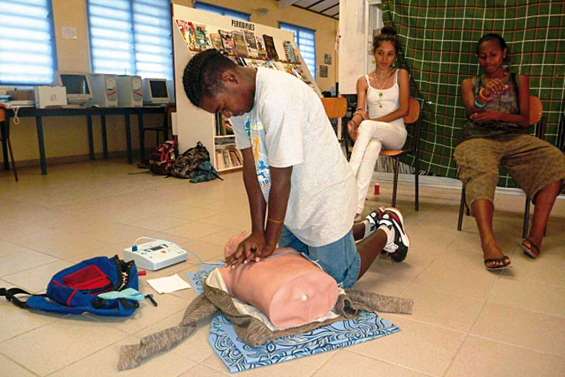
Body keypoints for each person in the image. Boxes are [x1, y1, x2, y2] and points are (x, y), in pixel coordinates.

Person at [182, 49, 410, 288]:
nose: (227, 115)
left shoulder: (277, 99)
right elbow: (251, 169)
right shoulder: (241, 105)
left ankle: (387, 228)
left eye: (222, 108)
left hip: (326, 197)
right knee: (300, 259)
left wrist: (269, 240)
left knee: (336, 278)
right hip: (293, 201)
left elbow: (282, 178)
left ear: (230, 79)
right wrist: (257, 231)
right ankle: (367, 225)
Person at [454, 33, 565, 271]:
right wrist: (484, 97)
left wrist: (499, 115)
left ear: (504, 54)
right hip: (478, 138)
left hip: (515, 138)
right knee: (483, 171)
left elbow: (525, 120)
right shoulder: (470, 83)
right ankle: (489, 243)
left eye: (493, 55)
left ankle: (535, 235)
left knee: (556, 160)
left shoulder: (519, 80)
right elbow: (472, 110)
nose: (488, 61)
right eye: (483, 57)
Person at [347, 27, 410, 219]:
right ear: (374, 53)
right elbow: (361, 110)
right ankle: (355, 209)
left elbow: (404, 110)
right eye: (381, 53)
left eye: (390, 54)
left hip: (396, 134)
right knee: (372, 146)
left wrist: (368, 122)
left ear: (395, 56)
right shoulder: (363, 81)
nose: (385, 58)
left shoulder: (401, 74)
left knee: (367, 127)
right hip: (374, 134)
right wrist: (353, 123)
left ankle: (345, 179)